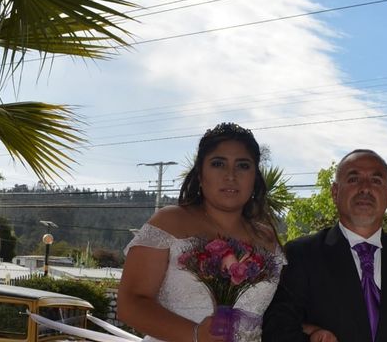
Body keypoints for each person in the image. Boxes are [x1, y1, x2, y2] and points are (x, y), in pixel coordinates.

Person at [117, 122, 283, 342]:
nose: (231, 175)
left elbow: (278, 310)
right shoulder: (170, 221)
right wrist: (195, 334)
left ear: (255, 177)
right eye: (218, 164)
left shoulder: (267, 237)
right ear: (200, 174)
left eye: (243, 165)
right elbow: (131, 304)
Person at [263, 149, 387, 342]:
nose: (365, 189)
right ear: (335, 193)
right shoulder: (301, 254)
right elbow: (278, 328)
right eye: (353, 179)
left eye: (376, 181)